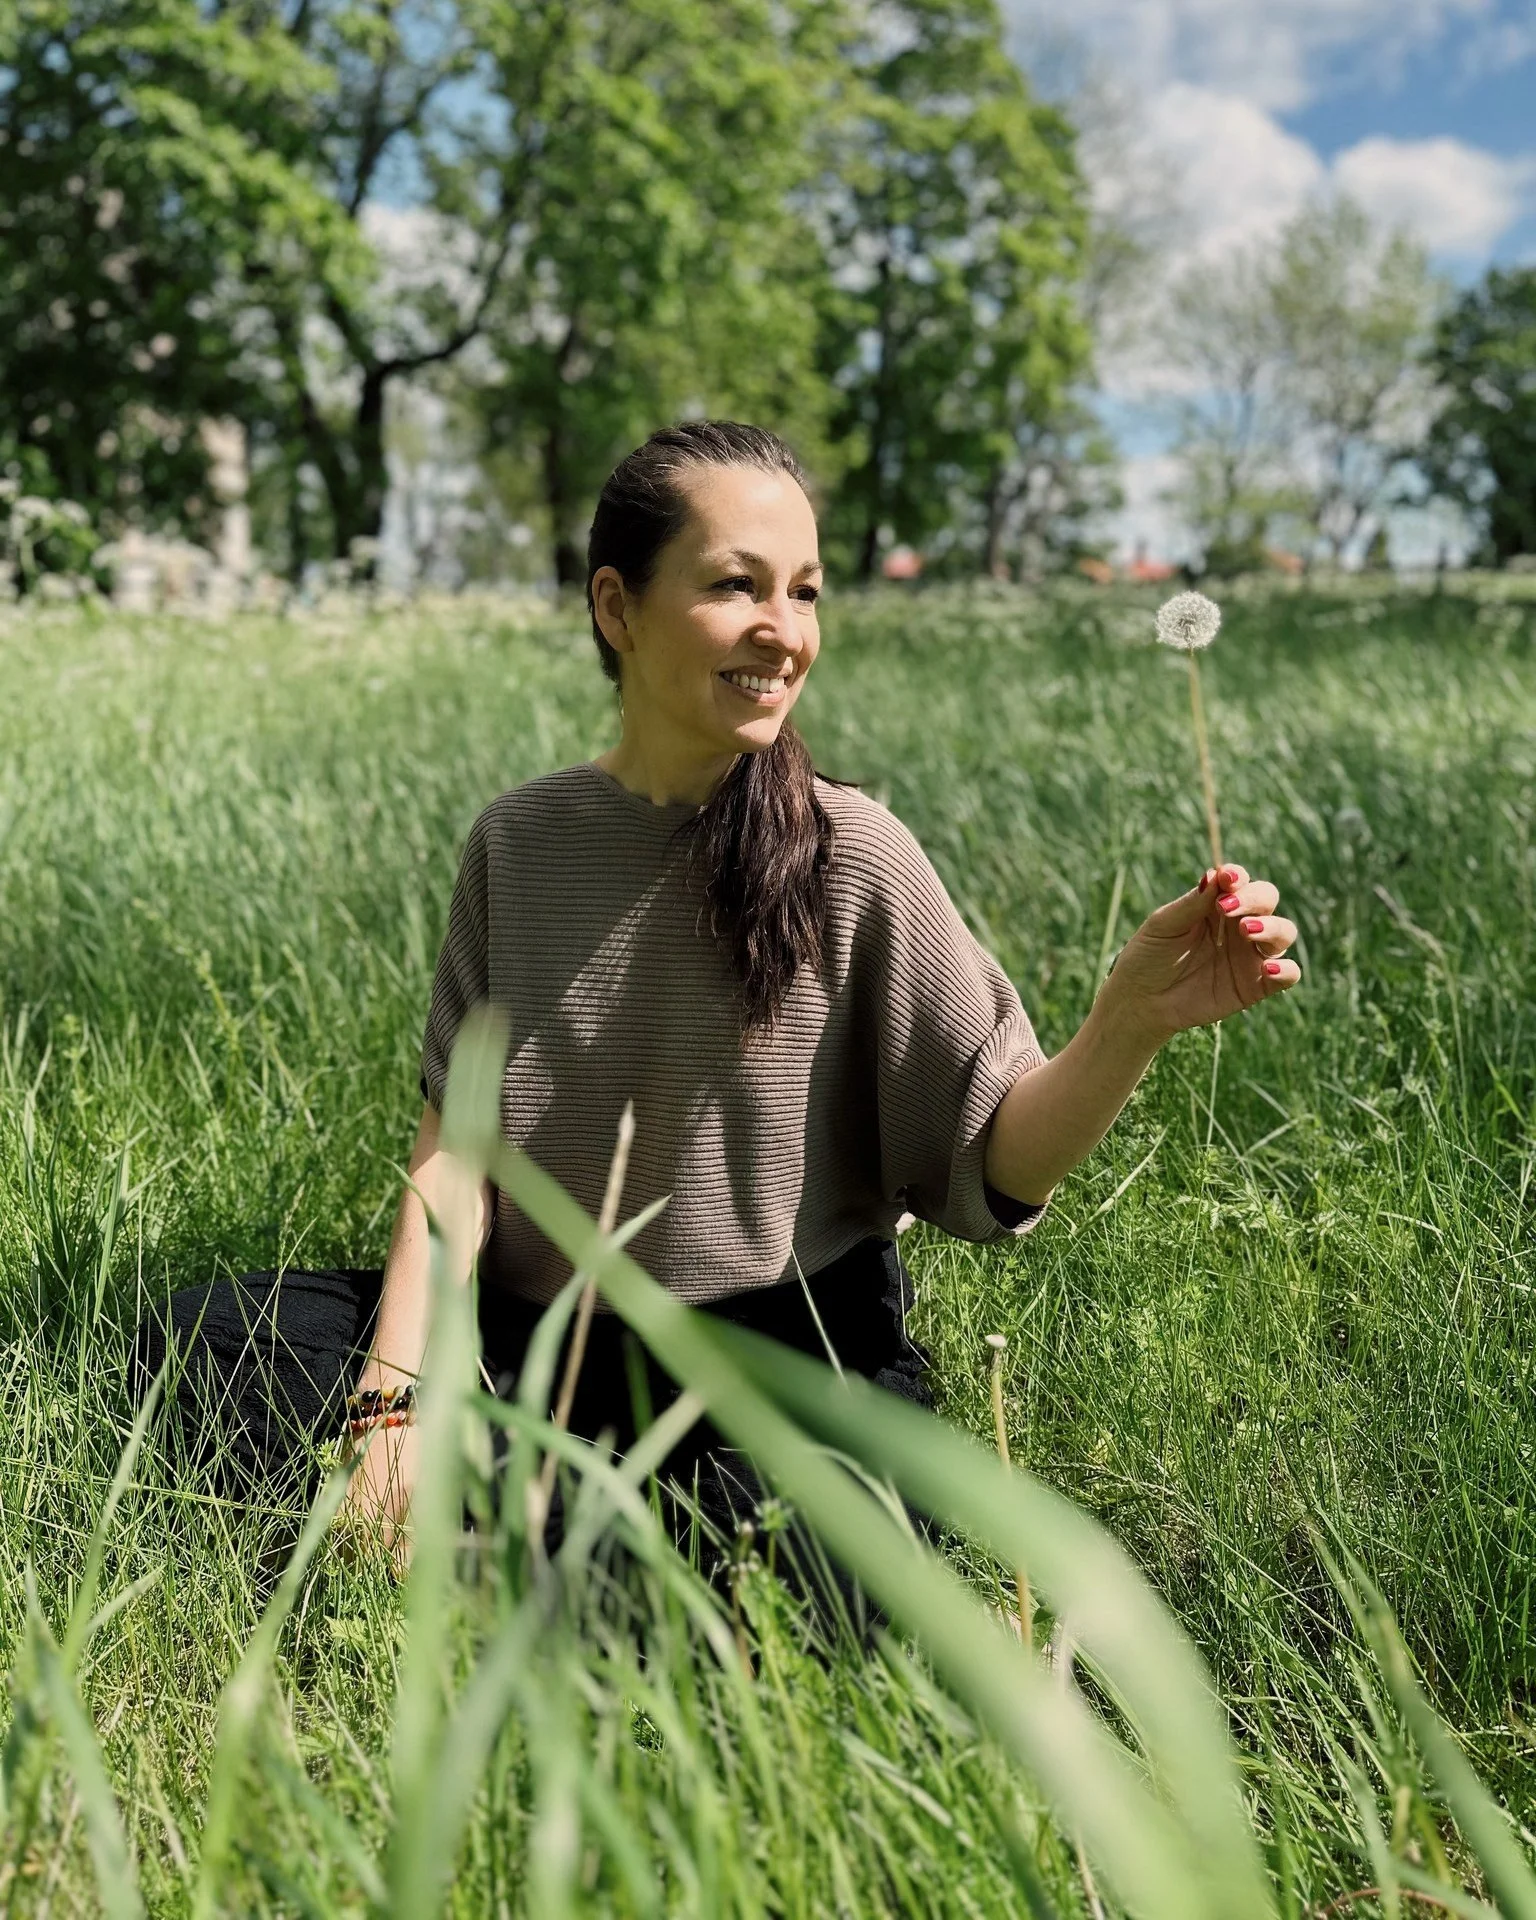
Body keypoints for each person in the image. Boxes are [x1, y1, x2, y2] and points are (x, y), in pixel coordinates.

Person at [135, 420, 1300, 1594]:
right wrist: (394, 1408)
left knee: (813, 1554)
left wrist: (1130, 1022)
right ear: (616, 606)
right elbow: (455, 1161)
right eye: (735, 585)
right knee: (204, 1340)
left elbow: (996, 1161)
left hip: (779, 1363)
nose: (784, 632)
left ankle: (528, 1543)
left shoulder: (857, 854)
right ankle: (554, 1530)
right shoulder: (519, 843)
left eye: (804, 592)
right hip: (535, 1343)